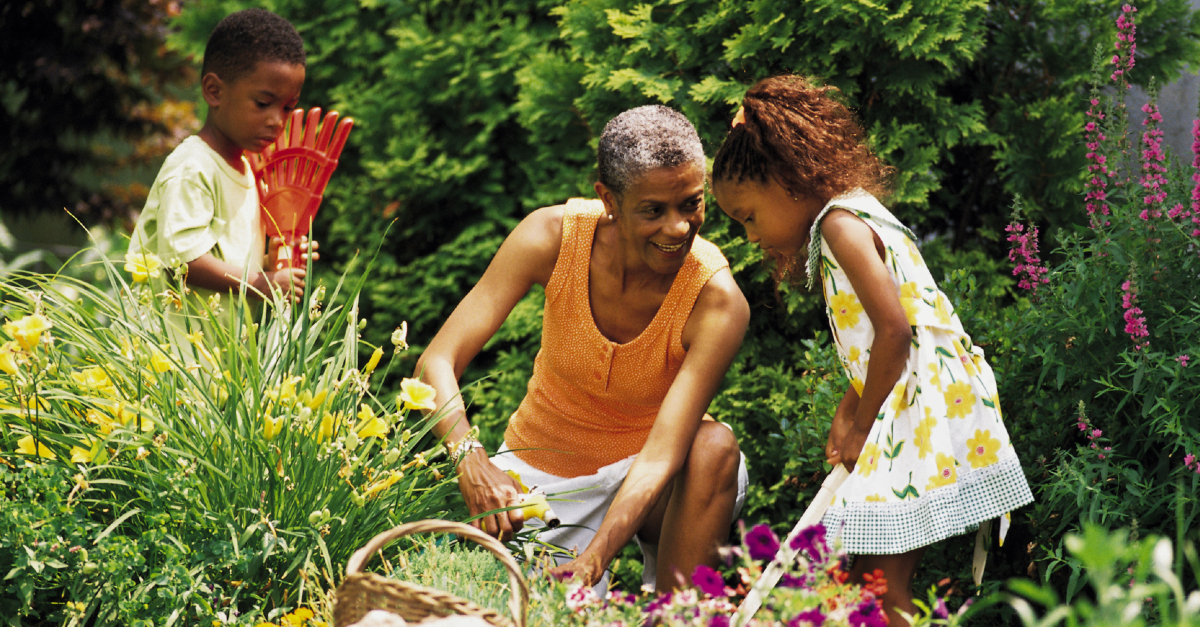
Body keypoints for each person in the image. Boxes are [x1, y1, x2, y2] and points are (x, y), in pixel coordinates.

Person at [711, 75, 1033, 624]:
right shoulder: (851, 212)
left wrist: (863, 425)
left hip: (920, 409)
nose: (750, 235)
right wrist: (850, 405)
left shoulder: (840, 225)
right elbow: (879, 342)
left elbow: (894, 330)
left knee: (881, 586)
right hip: (920, 398)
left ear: (787, 178)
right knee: (866, 581)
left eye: (748, 216)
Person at [416, 105, 751, 592]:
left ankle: (678, 616)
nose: (678, 227)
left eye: (691, 203)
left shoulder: (715, 298)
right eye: (653, 210)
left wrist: (594, 559)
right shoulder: (551, 238)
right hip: (543, 477)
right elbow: (437, 360)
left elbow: (660, 457)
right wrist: (471, 459)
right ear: (608, 199)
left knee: (714, 446)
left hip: (650, 480)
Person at [129, 8, 314, 319]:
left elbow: (229, 257)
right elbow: (183, 261)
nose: (277, 121)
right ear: (214, 91)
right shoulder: (193, 167)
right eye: (263, 103)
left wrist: (270, 264)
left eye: (287, 108)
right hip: (170, 356)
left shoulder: (249, 170)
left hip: (216, 357)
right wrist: (260, 283)